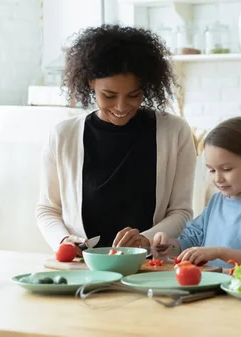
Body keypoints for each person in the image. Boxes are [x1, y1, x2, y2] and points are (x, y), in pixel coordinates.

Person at [36, 25, 196, 254]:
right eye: (109, 95)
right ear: (91, 82)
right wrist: (64, 241)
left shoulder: (175, 132)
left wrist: (145, 240)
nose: (121, 107)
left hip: (150, 266)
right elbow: (47, 209)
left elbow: (181, 212)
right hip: (83, 267)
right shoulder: (63, 136)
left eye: (134, 95)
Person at [153, 117, 241, 268]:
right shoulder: (216, 201)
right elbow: (190, 241)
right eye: (212, 170)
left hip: (239, 290)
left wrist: (219, 252)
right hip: (208, 286)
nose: (217, 178)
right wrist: (168, 246)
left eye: (227, 169)